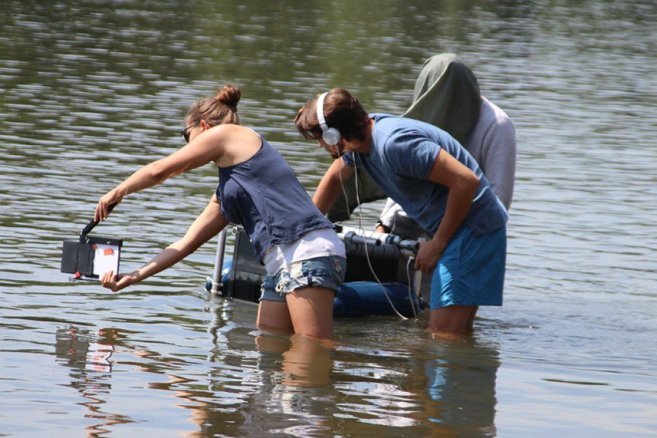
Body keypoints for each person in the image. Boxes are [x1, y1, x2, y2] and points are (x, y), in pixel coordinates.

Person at [94, 84, 346, 340]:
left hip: (307, 252)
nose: (186, 146)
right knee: (269, 347)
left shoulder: (228, 133)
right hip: (280, 263)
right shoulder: (230, 191)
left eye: (186, 135)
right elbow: (185, 244)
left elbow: (160, 171)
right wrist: (133, 276)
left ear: (203, 127)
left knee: (312, 349)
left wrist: (117, 192)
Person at [295, 88, 507, 335]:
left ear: (334, 134)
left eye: (321, 138)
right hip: (468, 230)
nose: (321, 144)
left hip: (474, 230)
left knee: (442, 335)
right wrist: (306, 229)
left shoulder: (395, 144)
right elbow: (334, 177)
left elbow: (465, 181)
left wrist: (438, 243)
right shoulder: (361, 142)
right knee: (456, 334)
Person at [377, 53, 516, 236]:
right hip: (412, 221)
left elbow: (499, 199)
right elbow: (403, 174)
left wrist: (444, 241)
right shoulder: (429, 108)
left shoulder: (497, 125)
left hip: (464, 230)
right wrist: (383, 225)